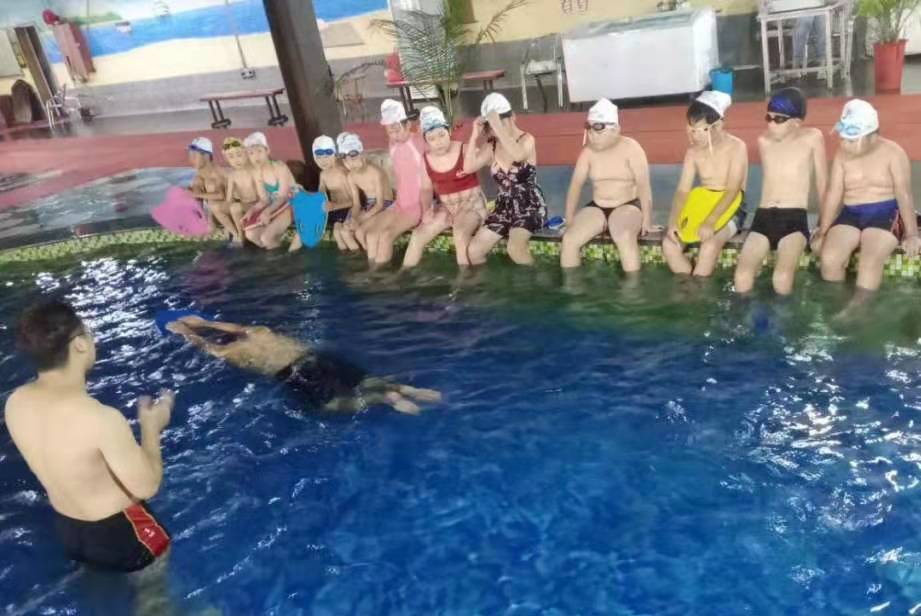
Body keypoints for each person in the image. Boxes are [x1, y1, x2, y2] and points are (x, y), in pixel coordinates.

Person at [5, 301, 173, 573]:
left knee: (97, 585)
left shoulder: (15, 403)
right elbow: (147, 487)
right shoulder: (100, 418)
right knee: (155, 595)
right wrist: (151, 428)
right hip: (124, 531)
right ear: (80, 344)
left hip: (70, 530)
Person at [165, 315, 441, 415]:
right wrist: (204, 322)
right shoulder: (259, 331)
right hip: (315, 357)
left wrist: (185, 332)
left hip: (296, 372)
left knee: (329, 405)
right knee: (361, 380)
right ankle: (404, 389)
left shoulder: (232, 352)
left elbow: (208, 347)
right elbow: (235, 327)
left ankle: (383, 399)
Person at [812, 99, 921, 292]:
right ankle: (835, 302)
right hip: (851, 213)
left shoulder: (893, 153)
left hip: (886, 213)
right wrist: (822, 232)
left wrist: (912, 234)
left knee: (869, 262)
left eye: (851, 140)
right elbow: (834, 194)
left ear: (872, 136)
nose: (844, 144)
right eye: (842, 138)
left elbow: (904, 194)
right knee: (829, 258)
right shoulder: (841, 155)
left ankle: (859, 307)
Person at [734, 88, 827, 295]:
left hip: (793, 218)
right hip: (763, 217)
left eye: (778, 119)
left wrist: (824, 225)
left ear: (796, 122)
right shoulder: (764, 141)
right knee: (741, 276)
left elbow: (823, 185)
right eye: (768, 117)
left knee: (782, 278)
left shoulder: (812, 138)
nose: (771, 124)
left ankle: (784, 314)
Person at [559, 99, 655, 272]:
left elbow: (644, 186)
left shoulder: (631, 149)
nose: (592, 136)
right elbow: (575, 186)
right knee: (569, 239)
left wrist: (647, 220)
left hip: (628, 205)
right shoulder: (588, 152)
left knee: (624, 237)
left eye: (598, 131)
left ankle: (633, 288)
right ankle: (571, 286)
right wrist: (569, 219)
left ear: (615, 130)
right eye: (589, 130)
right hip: (598, 206)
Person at [663, 91, 748, 277]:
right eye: (691, 130)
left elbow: (733, 190)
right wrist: (673, 221)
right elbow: (682, 191)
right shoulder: (693, 152)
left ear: (717, 126)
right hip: (703, 201)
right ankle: (687, 285)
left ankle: (699, 289)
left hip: (733, 205)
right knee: (670, 244)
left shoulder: (736, 147)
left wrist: (710, 221)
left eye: (700, 131)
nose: (694, 137)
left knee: (709, 246)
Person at [464, 92, 547, 266]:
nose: (495, 129)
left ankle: (535, 280)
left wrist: (496, 124)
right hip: (504, 207)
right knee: (474, 250)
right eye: (491, 125)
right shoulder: (491, 145)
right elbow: (468, 167)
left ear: (513, 117)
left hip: (529, 205)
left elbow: (518, 155)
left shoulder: (527, 139)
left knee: (515, 248)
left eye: (500, 122)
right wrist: (474, 135)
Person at [403, 106, 487, 268]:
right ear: (426, 140)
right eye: (432, 138)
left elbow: (490, 159)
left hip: (471, 204)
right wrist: (427, 210)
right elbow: (426, 189)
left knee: (460, 233)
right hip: (447, 207)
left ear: (449, 131)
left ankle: (465, 279)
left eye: (442, 135)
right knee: (417, 235)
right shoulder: (425, 160)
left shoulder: (464, 149)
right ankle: (403, 275)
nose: (439, 142)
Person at [364, 100, 430, 266]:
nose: (394, 135)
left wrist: (427, 210)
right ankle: (373, 273)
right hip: (399, 204)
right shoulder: (393, 143)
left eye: (397, 129)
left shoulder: (418, 141)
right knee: (371, 235)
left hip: (416, 206)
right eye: (390, 131)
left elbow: (430, 127)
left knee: (386, 236)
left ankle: (382, 277)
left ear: (407, 125)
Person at [241, 131, 303, 252]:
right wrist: (251, 211)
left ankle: (278, 256)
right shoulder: (257, 173)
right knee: (250, 235)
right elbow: (264, 200)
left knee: (266, 237)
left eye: (259, 151)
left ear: (267, 151)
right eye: (251, 153)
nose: (256, 156)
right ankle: (276, 250)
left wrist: (267, 212)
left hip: (294, 203)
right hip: (277, 206)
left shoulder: (280, 167)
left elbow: (283, 197)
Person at [314, 135, 358, 252]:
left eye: (326, 157)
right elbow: (320, 193)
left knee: (339, 232)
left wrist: (334, 206)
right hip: (335, 210)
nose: (323, 161)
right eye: (319, 158)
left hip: (348, 208)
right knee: (336, 232)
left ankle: (356, 255)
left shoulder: (342, 173)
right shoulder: (323, 174)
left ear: (334, 155)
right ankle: (347, 256)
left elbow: (355, 201)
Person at [223, 136, 266, 245]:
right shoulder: (232, 176)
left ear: (246, 154)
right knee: (233, 207)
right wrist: (227, 223)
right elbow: (229, 199)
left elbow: (263, 197)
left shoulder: (254, 171)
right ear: (227, 159)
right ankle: (240, 234)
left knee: (236, 207)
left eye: (239, 155)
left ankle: (242, 236)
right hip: (244, 206)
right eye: (231, 157)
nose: (236, 160)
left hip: (257, 205)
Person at [185, 137, 227, 235]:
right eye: (190, 155)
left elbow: (222, 195)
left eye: (195, 156)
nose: (191, 159)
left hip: (226, 210)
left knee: (209, 185)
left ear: (206, 156)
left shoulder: (216, 173)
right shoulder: (200, 173)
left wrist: (196, 195)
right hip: (214, 209)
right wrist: (191, 192)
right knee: (196, 183)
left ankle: (212, 224)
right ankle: (198, 220)